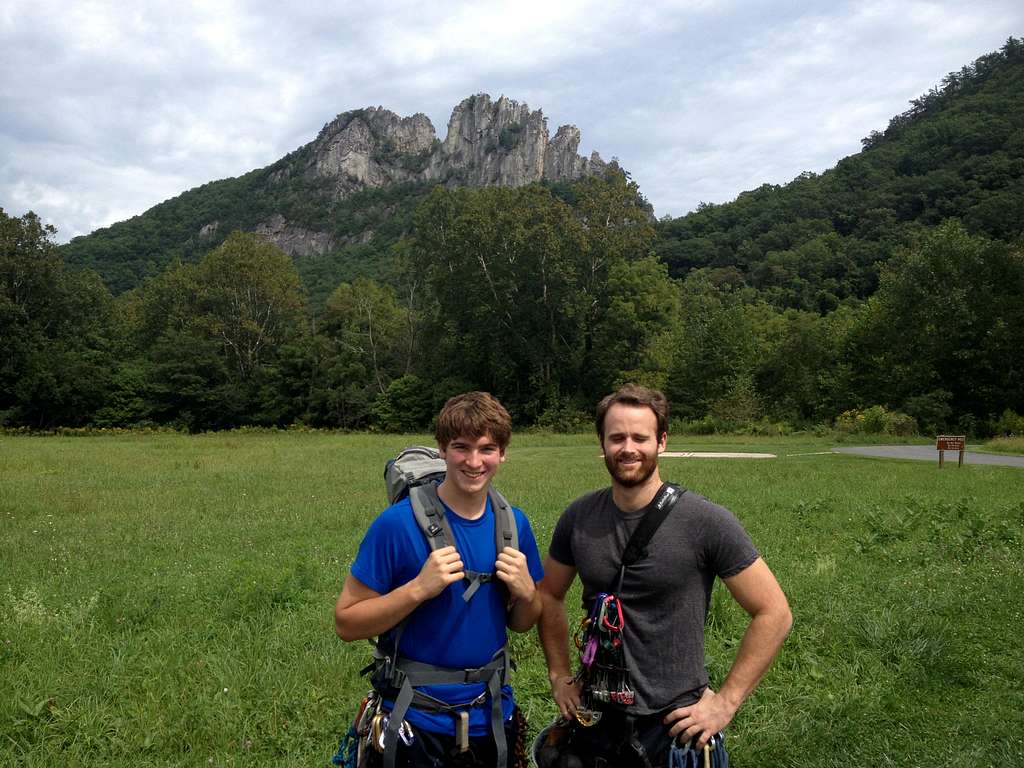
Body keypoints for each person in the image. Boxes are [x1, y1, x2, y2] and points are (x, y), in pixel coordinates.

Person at [537, 384, 792, 767]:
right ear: (602, 444)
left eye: (640, 437)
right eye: (616, 437)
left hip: (673, 726)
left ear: (662, 442)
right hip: (596, 719)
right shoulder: (579, 518)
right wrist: (559, 674)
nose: (628, 448)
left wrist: (725, 703)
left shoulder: (705, 521)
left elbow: (774, 613)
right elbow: (549, 595)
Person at [335, 391, 544, 768]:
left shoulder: (514, 524)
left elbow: (523, 623)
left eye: (487, 448)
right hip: (415, 720)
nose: (474, 461)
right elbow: (347, 622)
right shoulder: (397, 525)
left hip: (491, 717)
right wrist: (417, 589)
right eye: (461, 447)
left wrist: (529, 595)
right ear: (442, 449)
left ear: (503, 453)